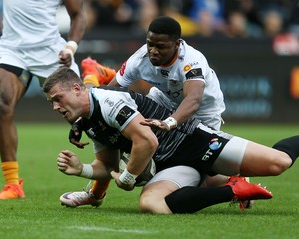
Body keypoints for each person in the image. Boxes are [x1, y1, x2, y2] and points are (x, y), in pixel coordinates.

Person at [43, 67, 299, 214]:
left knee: (279, 163)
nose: (56, 107)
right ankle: (231, 189)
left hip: (195, 142)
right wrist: (83, 170)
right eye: (51, 103)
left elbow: (147, 142)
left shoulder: (110, 102)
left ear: (77, 89)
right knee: (152, 204)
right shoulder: (88, 122)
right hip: (171, 166)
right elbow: (106, 165)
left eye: (58, 99)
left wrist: (127, 177)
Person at [62, 15, 229, 207]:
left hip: (202, 115)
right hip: (162, 102)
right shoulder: (140, 58)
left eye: (161, 47)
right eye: (150, 44)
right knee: (113, 122)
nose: (153, 51)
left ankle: (231, 179)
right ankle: (95, 193)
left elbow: (194, 100)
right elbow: (107, 94)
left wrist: (170, 123)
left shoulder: (191, 60)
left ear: (177, 44)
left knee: (196, 177)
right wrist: (81, 121)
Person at [0, 0, 87, 200]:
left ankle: (105, 180)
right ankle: (12, 184)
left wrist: (70, 48)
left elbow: (78, 15)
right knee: (3, 105)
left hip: (52, 53)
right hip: (12, 50)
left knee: (85, 114)